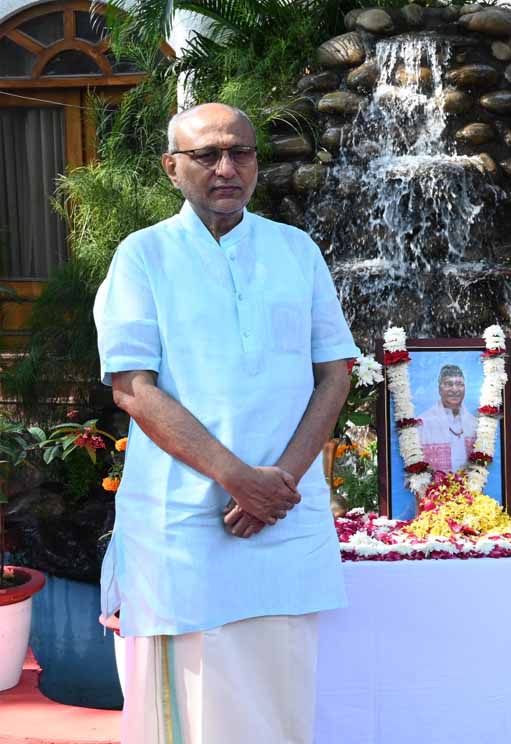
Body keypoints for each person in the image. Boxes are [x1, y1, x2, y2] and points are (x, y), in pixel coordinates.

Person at [93, 102, 360, 744]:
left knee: (279, 701)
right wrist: (238, 478)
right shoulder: (143, 256)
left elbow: (335, 373)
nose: (226, 168)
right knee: (190, 710)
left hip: (283, 519)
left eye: (240, 152)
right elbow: (133, 389)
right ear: (171, 168)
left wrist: (277, 483)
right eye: (207, 155)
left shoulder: (296, 251)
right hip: (184, 526)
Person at [418, 364, 478, 474]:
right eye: (448, 384)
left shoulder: (475, 424)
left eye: (459, 384)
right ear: (439, 389)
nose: (455, 389)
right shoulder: (423, 423)